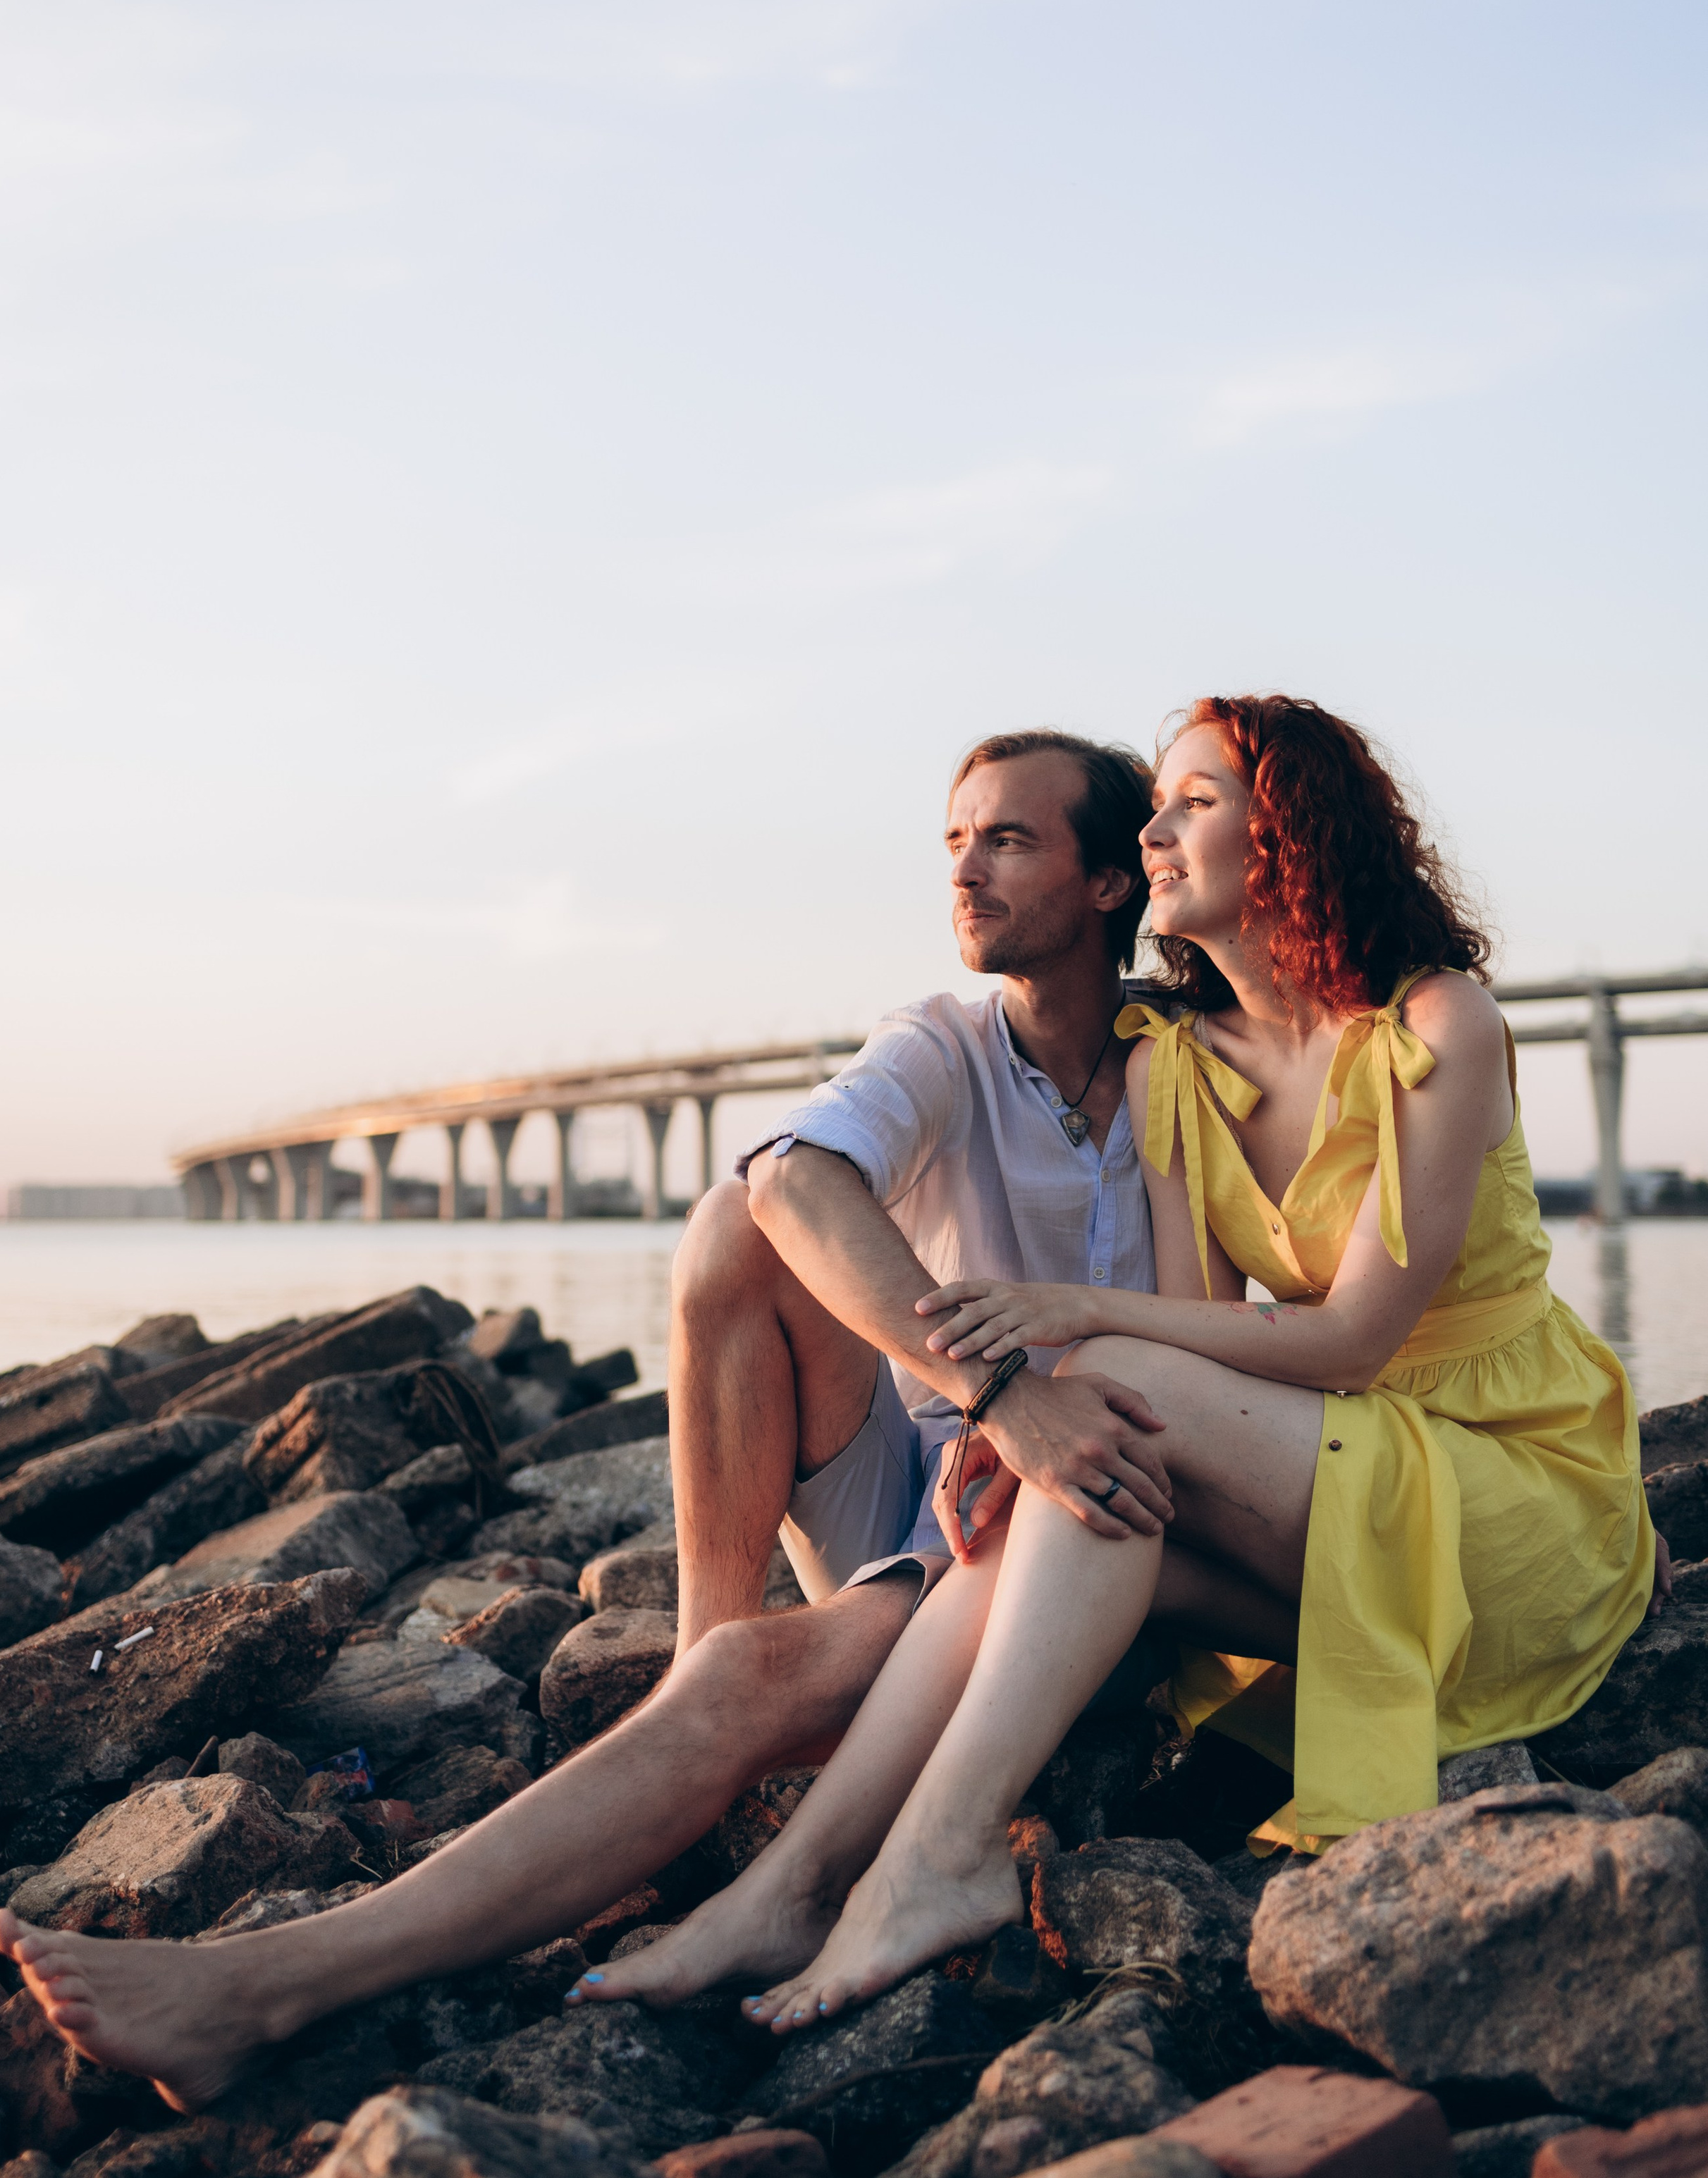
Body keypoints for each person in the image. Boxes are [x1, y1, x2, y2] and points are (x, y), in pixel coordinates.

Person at [0, 725, 1228, 2110]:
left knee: (753, 1686)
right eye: (952, 841)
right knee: (729, 1223)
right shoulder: (942, 1042)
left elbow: (1231, 1344)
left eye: (1006, 840)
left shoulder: (1187, 1067)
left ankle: (268, 1987)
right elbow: (788, 1179)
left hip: (1068, 1534)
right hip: (941, 1468)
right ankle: (711, 1648)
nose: (963, 872)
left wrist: (1057, 1425)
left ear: (1110, 883)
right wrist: (996, 1399)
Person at [674, 692, 1662, 2034]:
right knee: (1073, 1486)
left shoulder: (1440, 1027)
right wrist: (1029, 1412)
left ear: (1289, 836)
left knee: (1107, 1408)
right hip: (1352, 1499)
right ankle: (806, 1879)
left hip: (1512, 1493)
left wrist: (1054, 1329)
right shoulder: (1178, 1072)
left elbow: (1352, 1338)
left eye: (1193, 802)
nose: (1154, 830)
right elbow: (1202, 1330)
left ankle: (925, 1860)